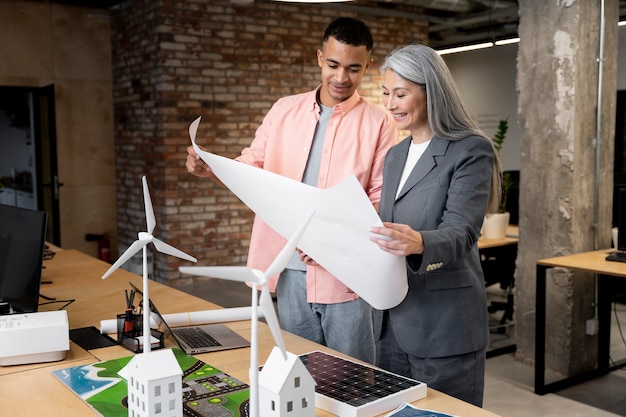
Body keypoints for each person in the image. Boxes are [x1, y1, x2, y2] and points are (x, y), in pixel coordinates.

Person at [186, 17, 397, 364]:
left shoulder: (379, 122)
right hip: (287, 272)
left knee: (352, 378)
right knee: (299, 374)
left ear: (368, 66)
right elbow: (250, 168)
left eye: (353, 68)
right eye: (332, 65)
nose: (341, 77)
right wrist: (210, 168)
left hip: (345, 277)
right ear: (319, 57)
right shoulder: (284, 110)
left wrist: (333, 244)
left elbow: (379, 199)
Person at [369, 44, 502, 407]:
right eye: (385, 93)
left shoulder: (471, 150)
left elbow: (462, 232)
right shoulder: (396, 155)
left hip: (445, 326)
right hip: (392, 321)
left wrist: (419, 243)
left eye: (400, 93)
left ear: (431, 91)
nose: (390, 103)